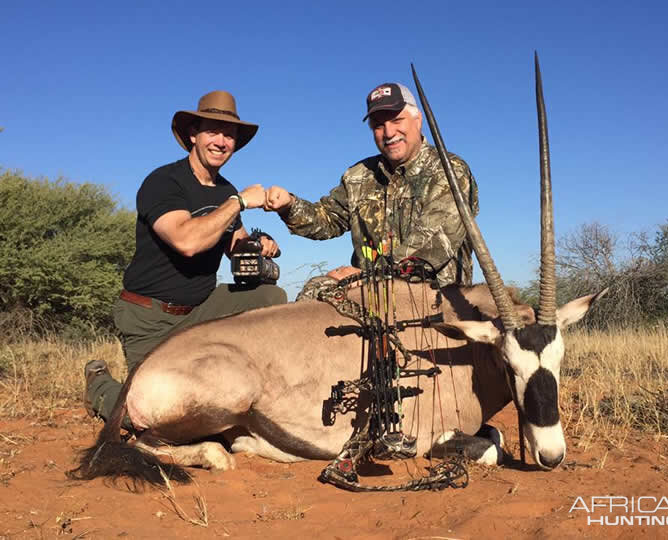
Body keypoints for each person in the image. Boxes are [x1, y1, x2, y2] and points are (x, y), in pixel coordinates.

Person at [85, 90, 287, 421]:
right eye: (213, 131)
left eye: (230, 134)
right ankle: (99, 385)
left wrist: (260, 244)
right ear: (193, 134)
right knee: (151, 415)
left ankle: (264, 391)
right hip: (150, 315)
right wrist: (238, 202)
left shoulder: (225, 190)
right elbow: (187, 241)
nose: (222, 141)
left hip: (201, 307)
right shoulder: (163, 181)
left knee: (272, 296)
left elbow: (236, 246)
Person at [264, 82, 479, 299]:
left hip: (433, 300)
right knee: (314, 291)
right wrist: (289, 206)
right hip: (370, 297)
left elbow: (431, 246)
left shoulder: (451, 171)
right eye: (378, 125)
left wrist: (365, 277)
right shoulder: (358, 176)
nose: (389, 132)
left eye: (397, 120)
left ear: (418, 120)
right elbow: (328, 220)